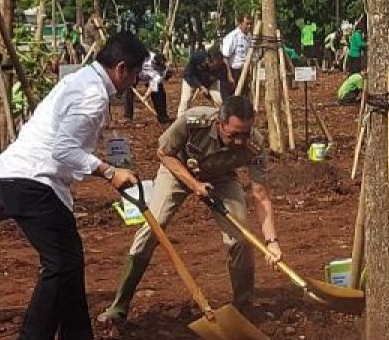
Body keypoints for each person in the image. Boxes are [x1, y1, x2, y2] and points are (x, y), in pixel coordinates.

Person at [0, 32, 147, 340]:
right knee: (60, 262)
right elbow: (64, 149)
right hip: (28, 180)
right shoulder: (91, 95)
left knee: (70, 259)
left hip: (30, 179)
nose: (134, 83)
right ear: (121, 69)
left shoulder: (84, 80)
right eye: (135, 75)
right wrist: (107, 171)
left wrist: (109, 171)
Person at [98, 96, 281, 325]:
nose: (239, 141)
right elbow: (164, 153)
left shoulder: (255, 144)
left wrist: (271, 241)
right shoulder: (194, 120)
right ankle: (119, 306)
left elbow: (261, 195)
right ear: (219, 123)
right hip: (177, 171)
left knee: (240, 239)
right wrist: (194, 185)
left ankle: (243, 308)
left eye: (244, 134)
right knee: (151, 230)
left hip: (221, 178)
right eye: (233, 134)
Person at [124, 52, 171, 124]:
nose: (157, 69)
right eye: (156, 67)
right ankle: (128, 117)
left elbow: (152, 87)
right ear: (153, 62)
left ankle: (162, 116)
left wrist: (145, 97)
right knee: (128, 90)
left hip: (149, 78)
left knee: (159, 92)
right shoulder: (143, 56)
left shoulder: (161, 72)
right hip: (136, 73)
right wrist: (129, 76)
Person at [179, 47, 226, 113]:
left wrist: (210, 96)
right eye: (216, 65)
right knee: (185, 100)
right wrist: (200, 86)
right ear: (209, 61)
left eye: (219, 64)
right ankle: (180, 119)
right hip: (191, 79)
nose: (217, 67)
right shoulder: (196, 57)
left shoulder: (222, 67)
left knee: (219, 100)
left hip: (209, 82)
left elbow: (223, 85)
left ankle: (220, 117)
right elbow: (189, 74)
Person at [221, 13, 253, 99]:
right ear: (240, 23)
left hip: (243, 71)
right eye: (247, 24)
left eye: (250, 24)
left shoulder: (249, 37)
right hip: (232, 71)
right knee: (231, 99)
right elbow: (225, 57)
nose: (249, 26)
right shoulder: (232, 37)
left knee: (243, 97)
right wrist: (229, 75)